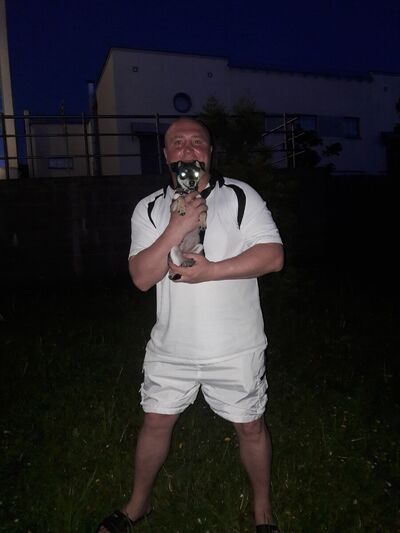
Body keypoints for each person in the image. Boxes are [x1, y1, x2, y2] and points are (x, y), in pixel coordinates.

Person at [98, 117, 284, 533]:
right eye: (177, 142)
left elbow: (273, 257)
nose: (187, 148)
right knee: (155, 422)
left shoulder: (240, 196)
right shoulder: (149, 208)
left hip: (235, 347)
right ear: (166, 155)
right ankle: (137, 505)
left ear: (209, 152)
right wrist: (176, 228)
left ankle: (262, 510)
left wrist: (211, 270)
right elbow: (141, 277)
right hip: (171, 348)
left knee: (250, 426)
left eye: (196, 142)